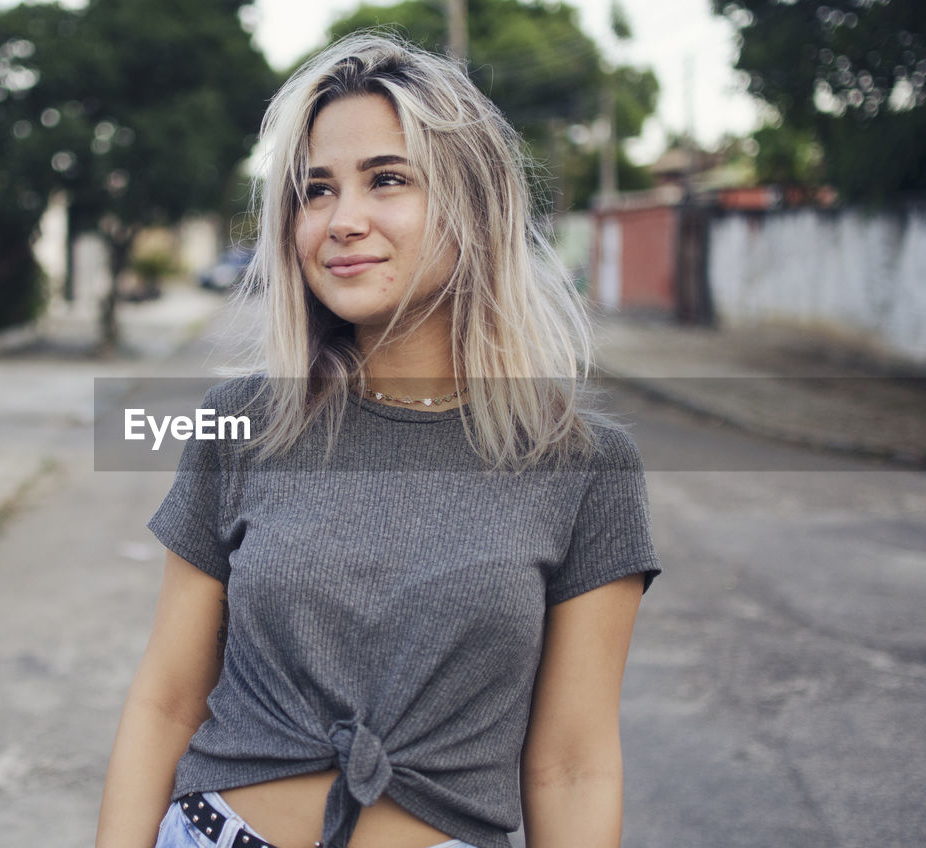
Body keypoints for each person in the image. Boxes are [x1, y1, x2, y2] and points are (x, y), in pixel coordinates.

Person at [96, 32, 660, 848]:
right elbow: (167, 697)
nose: (341, 220)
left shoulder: (585, 464)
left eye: (387, 180)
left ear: (475, 206)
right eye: (315, 190)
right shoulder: (241, 423)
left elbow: (574, 764)